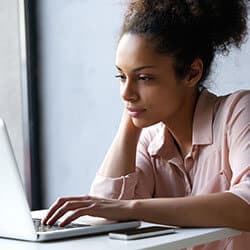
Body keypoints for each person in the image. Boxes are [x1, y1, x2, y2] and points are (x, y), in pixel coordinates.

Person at [42, 0, 250, 249]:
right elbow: (103, 215)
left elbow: (246, 205)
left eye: (144, 78)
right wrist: (130, 122)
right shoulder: (149, 139)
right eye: (121, 76)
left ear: (192, 73)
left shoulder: (237, 111)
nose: (125, 92)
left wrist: (133, 208)